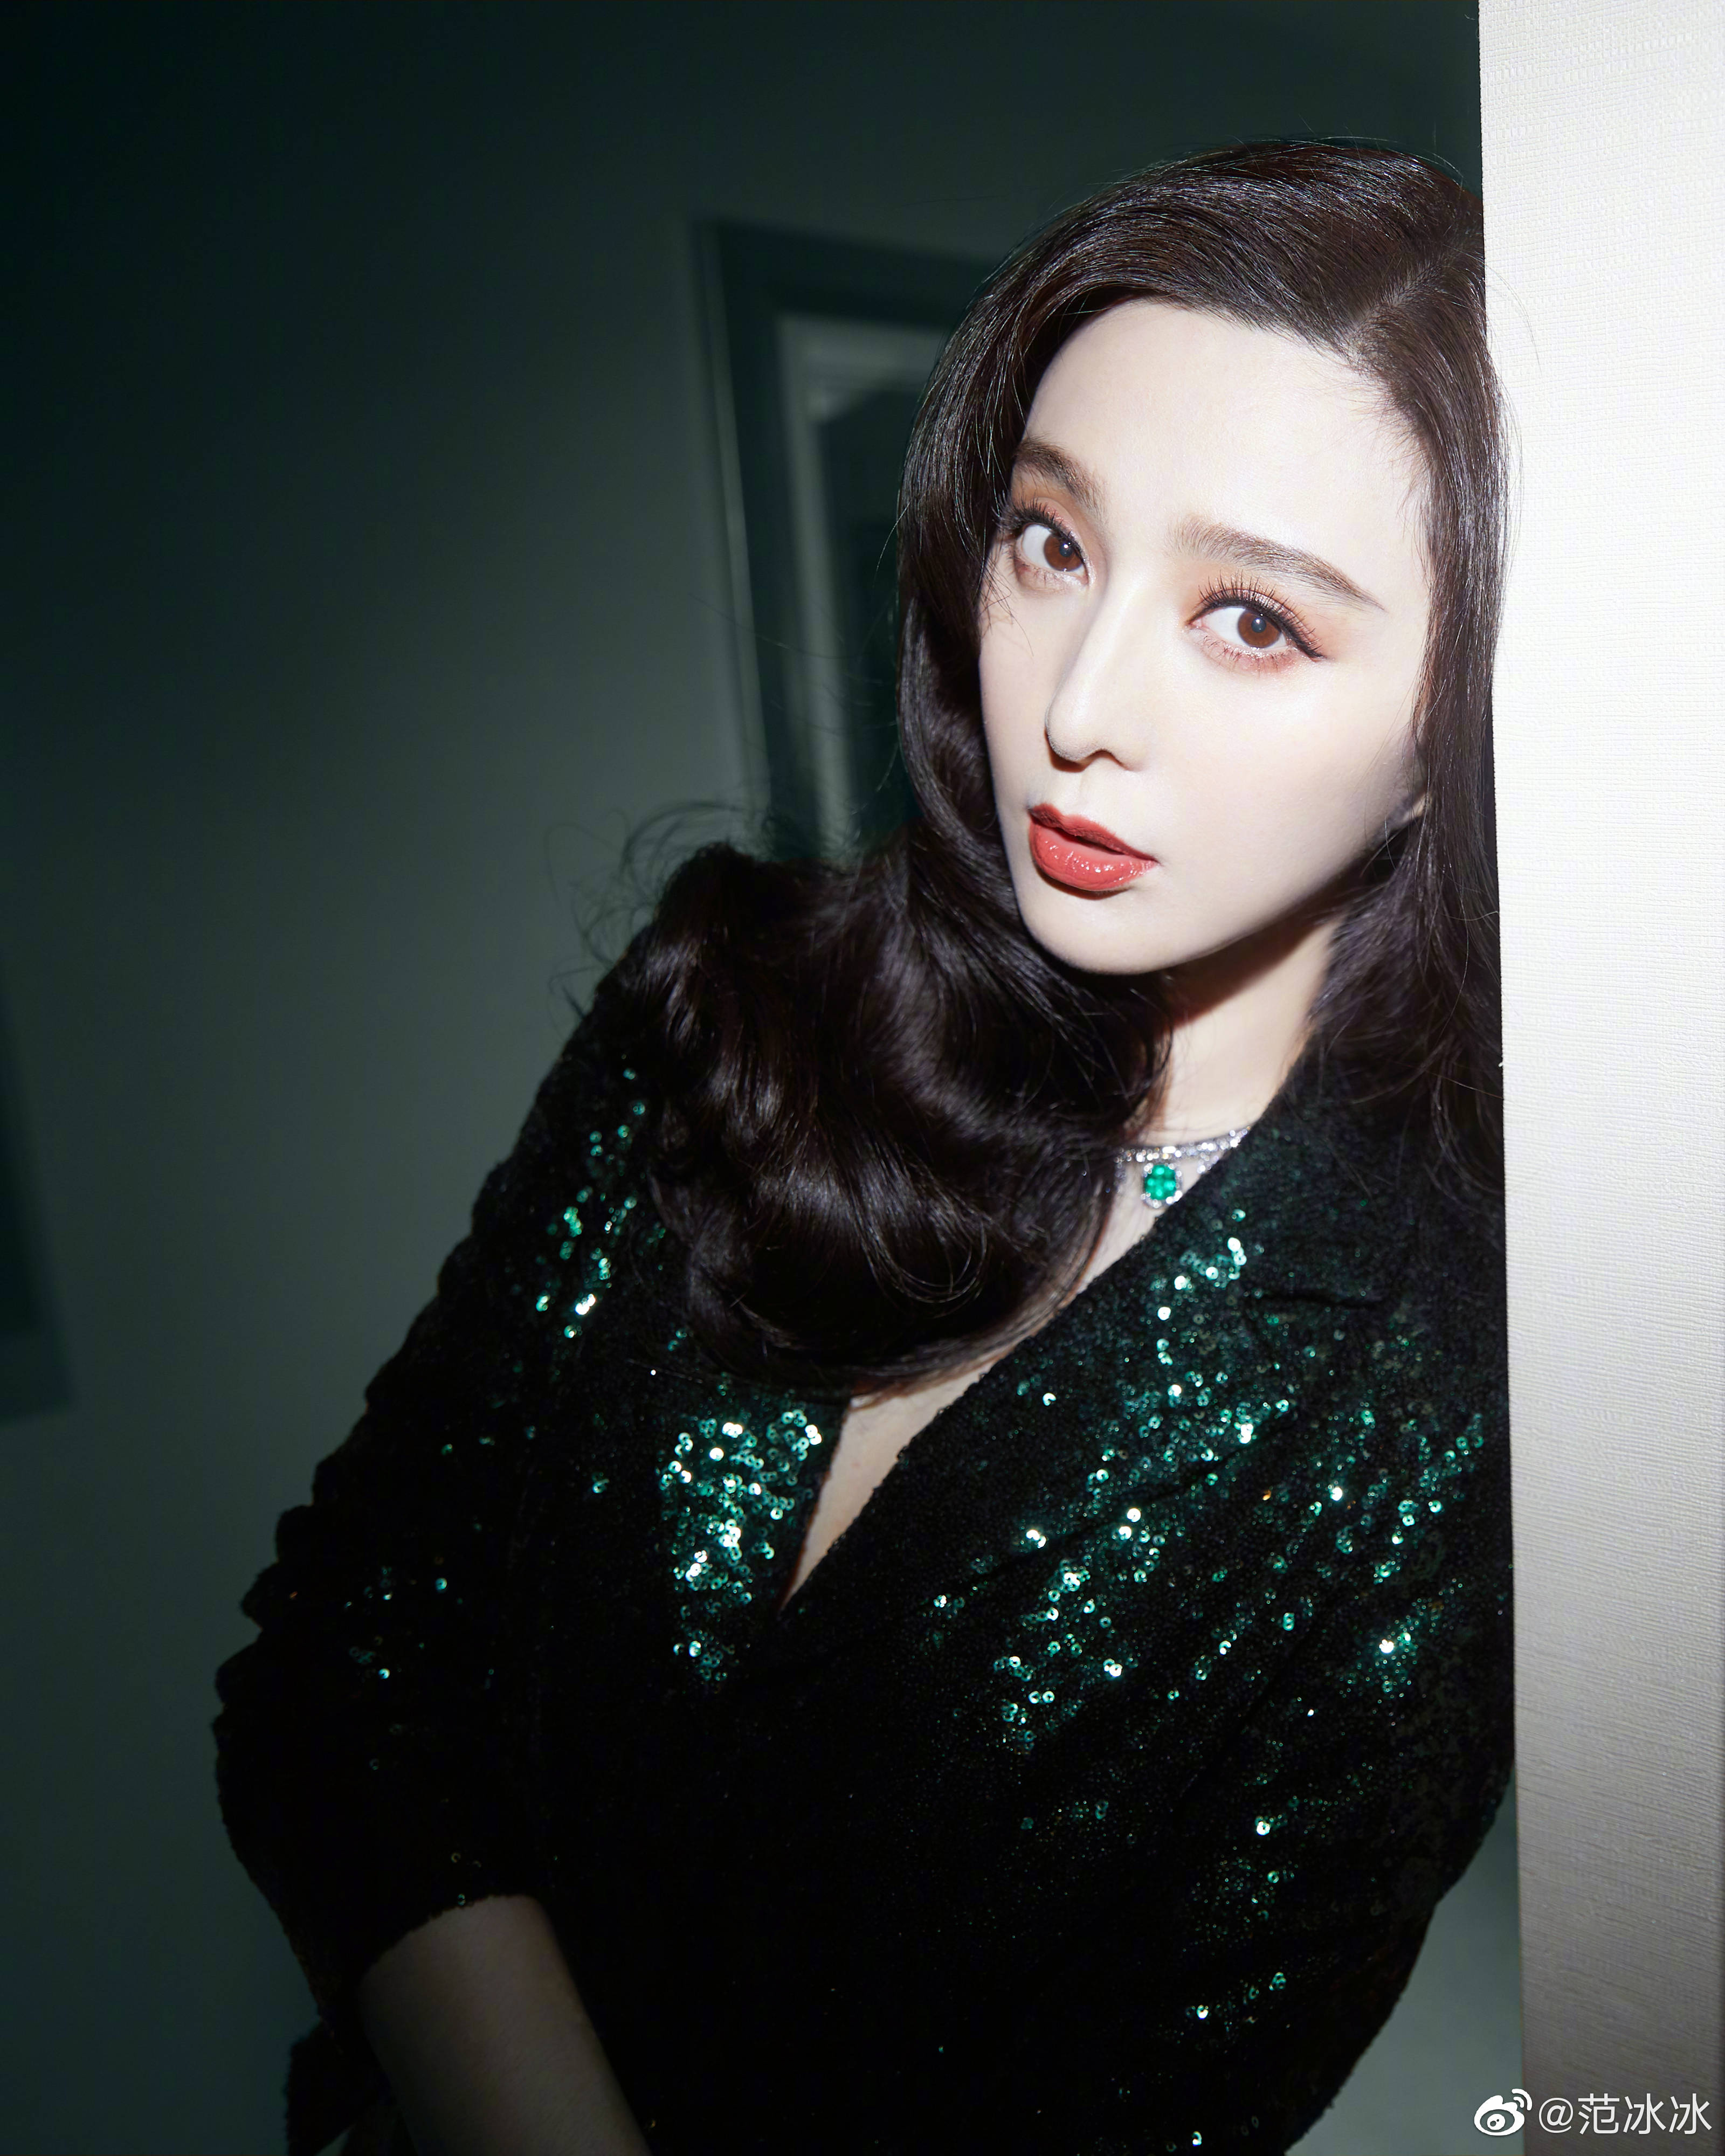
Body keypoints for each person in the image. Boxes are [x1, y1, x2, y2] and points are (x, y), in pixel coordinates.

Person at [214, 139, 1515, 2156]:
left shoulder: (1444, 1401)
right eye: (1050, 541)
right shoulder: (739, 1015)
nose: (1078, 704)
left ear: (1449, 735)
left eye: (1252, 619)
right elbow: (343, 1668)